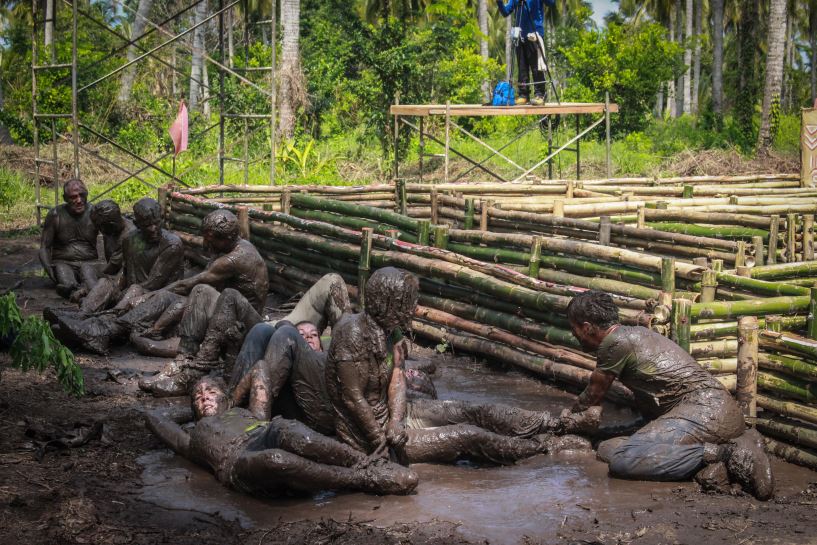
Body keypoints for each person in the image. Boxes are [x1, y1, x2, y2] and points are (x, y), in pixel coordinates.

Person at [322, 267, 595, 465]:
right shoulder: (352, 334)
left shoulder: (390, 329)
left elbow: (397, 378)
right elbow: (353, 398)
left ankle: (557, 424)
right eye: (409, 302)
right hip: (371, 434)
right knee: (469, 435)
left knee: (473, 410)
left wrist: (396, 420)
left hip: (397, 418)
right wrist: (383, 437)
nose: (414, 308)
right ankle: (544, 447)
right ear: (389, 302)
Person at [566, 290, 774, 500]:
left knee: (622, 459)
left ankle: (728, 455)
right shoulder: (636, 334)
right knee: (606, 448)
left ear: (587, 327)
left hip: (707, 410)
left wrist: (563, 422)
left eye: (575, 330)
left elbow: (592, 395)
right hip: (714, 410)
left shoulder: (615, 343)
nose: (575, 336)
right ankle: (739, 442)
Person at [144, 376, 419, 497]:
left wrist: (231, 397)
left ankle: (368, 464)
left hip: (264, 432)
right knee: (276, 459)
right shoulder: (192, 437)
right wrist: (187, 413)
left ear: (226, 398)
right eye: (198, 397)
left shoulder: (245, 412)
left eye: (211, 392)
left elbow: (260, 370)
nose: (204, 398)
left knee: (285, 428)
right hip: (237, 461)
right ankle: (361, 480)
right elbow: (153, 419)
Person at [137, 209, 269, 394]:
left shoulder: (233, 259)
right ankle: (182, 360)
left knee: (200, 290)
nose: (205, 242)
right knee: (203, 291)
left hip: (246, 328)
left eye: (209, 238)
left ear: (224, 239)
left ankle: (192, 367)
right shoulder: (234, 246)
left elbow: (189, 284)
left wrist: (152, 294)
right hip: (233, 315)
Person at [79, 198, 181, 313]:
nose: (154, 229)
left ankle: (111, 318)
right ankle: (83, 313)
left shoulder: (172, 245)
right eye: (147, 225)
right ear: (137, 224)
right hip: (131, 292)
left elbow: (153, 284)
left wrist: (127, 294)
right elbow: (125, 271)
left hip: (154, 296)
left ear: (161, 219)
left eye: (157, 223)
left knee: (135, 289)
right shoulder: (130, 239)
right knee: (105, 283)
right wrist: (114, 287)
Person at [39, 179, 100, 300]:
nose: (79, 200)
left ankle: (83, 291)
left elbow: (112, 237)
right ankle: (74, 291)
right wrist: (49, 269)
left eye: (82, 195)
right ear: (65, 198)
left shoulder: (95, 213)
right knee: (66, 281)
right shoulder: (55, 215)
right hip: (63, 263)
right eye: (73, 197)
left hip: (89, 262)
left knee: (90, 279)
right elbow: (44, 247)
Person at [495, 0, 554, 106]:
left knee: (537, 67)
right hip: (519, 35)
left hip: (534, 34)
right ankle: (523, 95)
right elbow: (505, 12)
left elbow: (551, 3)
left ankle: (540, 95)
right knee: (522, 68)